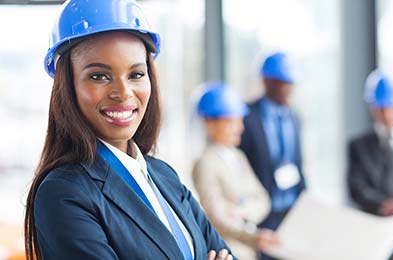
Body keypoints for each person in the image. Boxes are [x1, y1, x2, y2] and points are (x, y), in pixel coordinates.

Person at [24, 1, 235, 260]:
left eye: (136, 74)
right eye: (99, 76)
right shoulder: (63, 193)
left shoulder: (163, 175)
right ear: (68, 87)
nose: (123, 93)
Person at [192, 82, 280, 260]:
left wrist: (241, 211)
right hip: (227, 251)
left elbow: (263, 199)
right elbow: (217, 217)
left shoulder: (239, 156)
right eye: (232, 121)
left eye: (240, 120)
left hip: (248, 251)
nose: (240, 127)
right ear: (210, 122)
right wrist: (253, 236)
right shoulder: (205, 163)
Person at [239, 52, 306, 260]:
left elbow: (297, 162)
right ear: (267, 82)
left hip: (291, 211)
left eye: (291, 83)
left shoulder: (294, 117)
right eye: (283, 83)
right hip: (262, 213)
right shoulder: (246, 116)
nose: (289, 89)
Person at [347, 70, 393, 259]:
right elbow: (356, 188)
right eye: (381, 108)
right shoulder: (358, 146)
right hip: (371, 230)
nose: (387, 114)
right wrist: (384, 204)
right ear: (372, 108)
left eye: (392, 107)